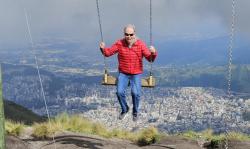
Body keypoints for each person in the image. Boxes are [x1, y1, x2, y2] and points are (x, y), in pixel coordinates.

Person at [99, 24, 157, 122]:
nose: (129, 37)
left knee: (135, 93)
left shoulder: (140, 44)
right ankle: (125, 109)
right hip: (124, 73)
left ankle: (135, 112)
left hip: (136, 73)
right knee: (119, 92)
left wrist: (153, 52)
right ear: (124, 34)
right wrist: (102, 48)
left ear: (134, 34)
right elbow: (108, 53)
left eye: (131, 34)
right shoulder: (120, 43)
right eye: (127, 34)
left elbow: (150, 59)